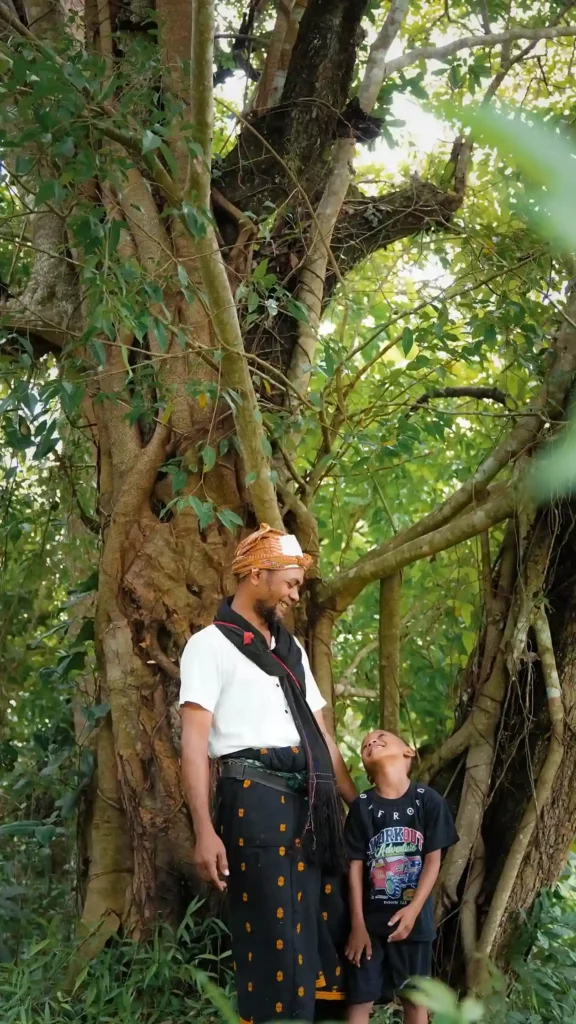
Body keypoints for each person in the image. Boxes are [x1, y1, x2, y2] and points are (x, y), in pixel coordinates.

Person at [179, 523, 357, 1024]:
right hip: (253, 802)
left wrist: (353, 801)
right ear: (256, 575)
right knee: (275, 947)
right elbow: (194, 745)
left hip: (311, 808)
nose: (296, 595)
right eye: (290, 583)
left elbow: (322, 736)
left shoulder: (291, 651)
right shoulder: (208, 646)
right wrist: (204, 829)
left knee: (320, 932)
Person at [344, 730, 459, 1024]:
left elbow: (433, 861)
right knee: (359, 999)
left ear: (408, 752)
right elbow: (355, 866)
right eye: (365, 743)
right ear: (367, 773)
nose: (371, 741)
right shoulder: (362, 807)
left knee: (415, 999)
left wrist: (414, 910)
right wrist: (357, 924)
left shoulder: (428, 801)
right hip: (368, 925)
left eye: (381, 736)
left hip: (414, 924)